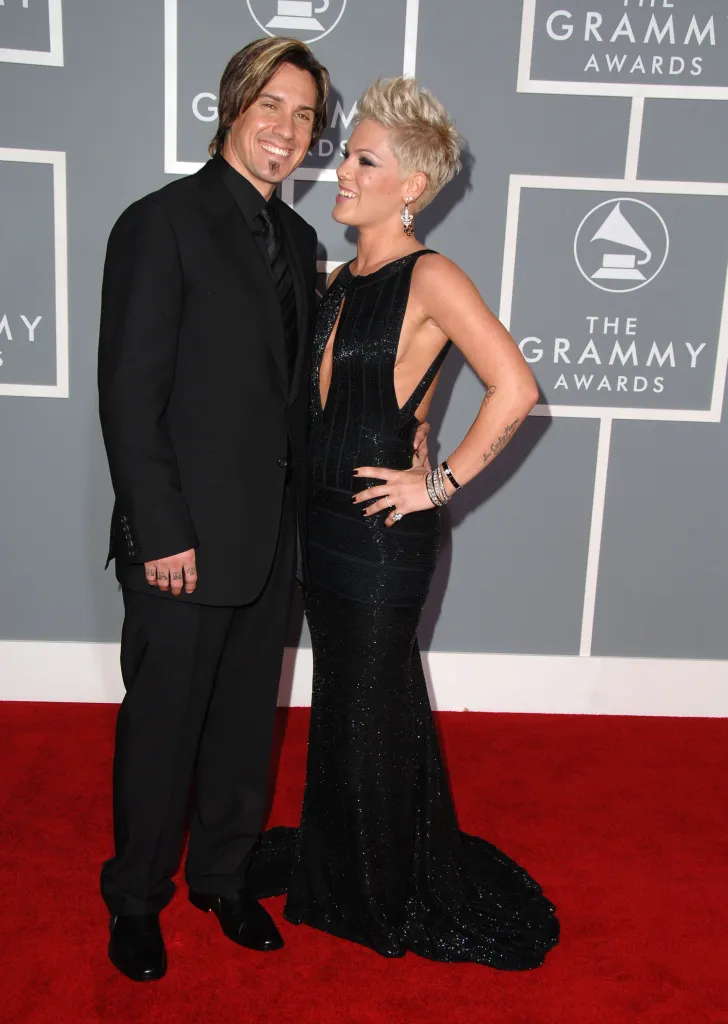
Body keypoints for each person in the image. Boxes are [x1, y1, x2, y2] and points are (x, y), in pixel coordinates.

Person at [250, 77, 560, 969]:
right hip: (320, 524)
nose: (339, 167)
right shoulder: (340, 275)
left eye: (362, 160)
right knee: (352, 702)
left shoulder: (431, 275)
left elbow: (517, 385)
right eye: (347, 153)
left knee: (372, 704)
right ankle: (351, 855)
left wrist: (440, 481)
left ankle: (384, 883)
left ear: (411, 185)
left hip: (383, 541)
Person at [96, 38, 330, 982]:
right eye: (270, 105)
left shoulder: (305, 244)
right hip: (180, 542)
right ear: (232, 106)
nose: (285, 129)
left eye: (305, 116)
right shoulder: (162, 223)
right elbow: (129, 395)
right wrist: (161, 532)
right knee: (163, 731)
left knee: (243, 726)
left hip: (272, 539)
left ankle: (225, 878)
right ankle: (136, 900)